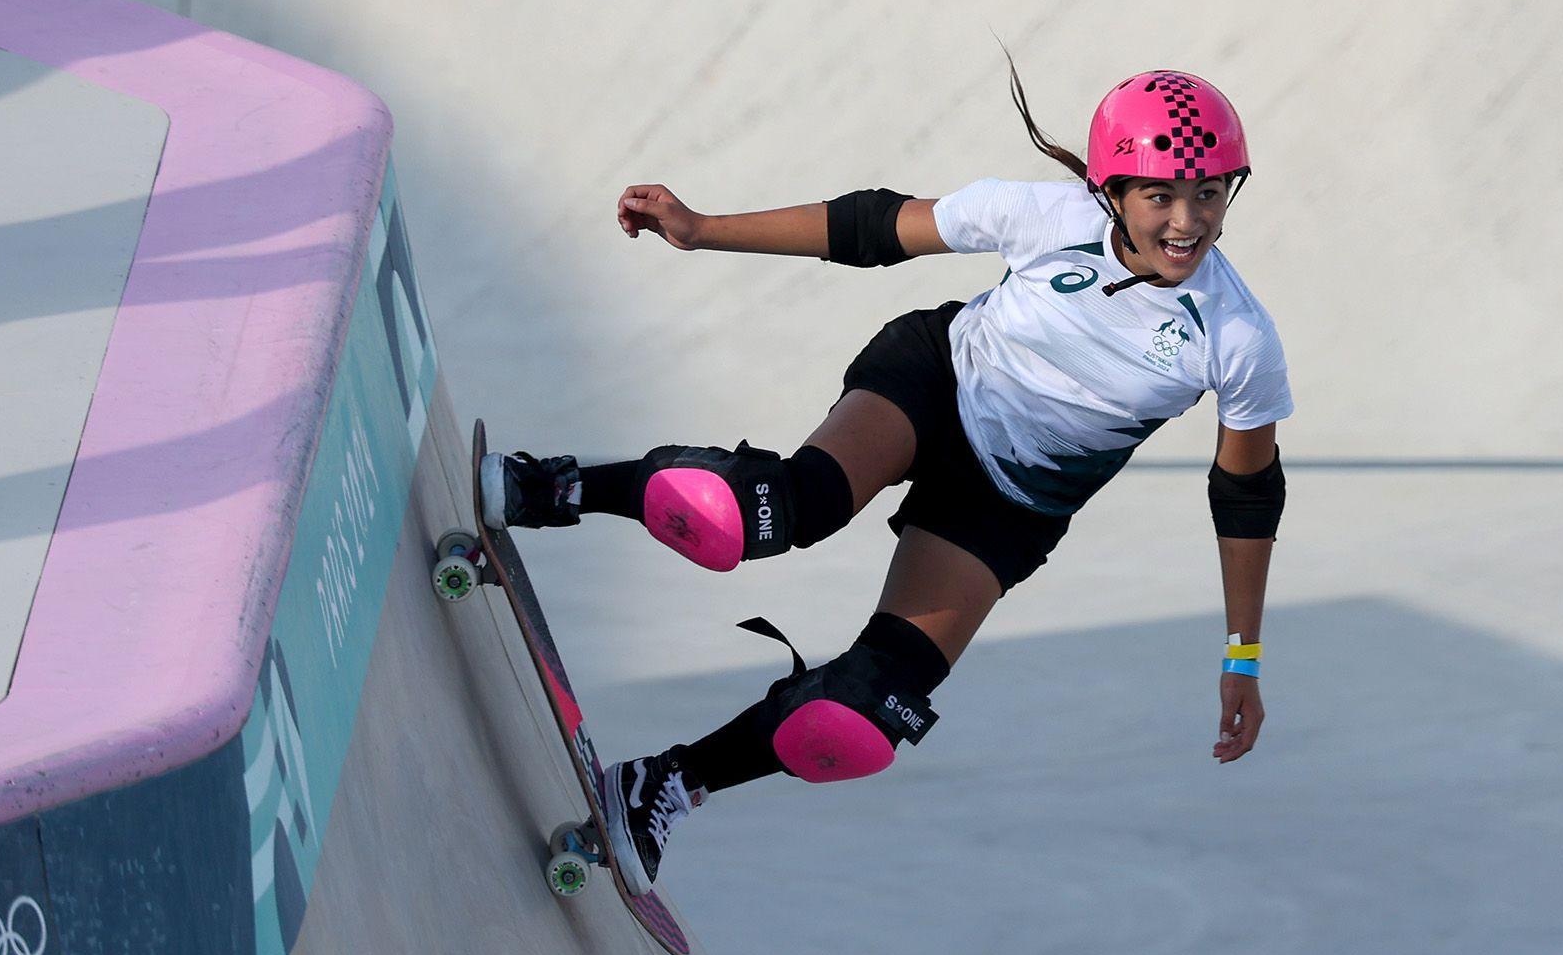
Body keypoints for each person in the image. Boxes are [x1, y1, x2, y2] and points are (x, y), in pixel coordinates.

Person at [482, 65, 1293, 896]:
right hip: (934, 385)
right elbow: (871, 228)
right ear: (1110, 189)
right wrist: (701, 228)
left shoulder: (1236, 338)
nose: (1188, 221)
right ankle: (553, 488)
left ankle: (660, 784)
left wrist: (1244, 655)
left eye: (1208, 194)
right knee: (776, 510)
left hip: (1008, 506)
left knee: (863, 713)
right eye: (1161, 196)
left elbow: (1245, 499)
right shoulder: (1047, 216)